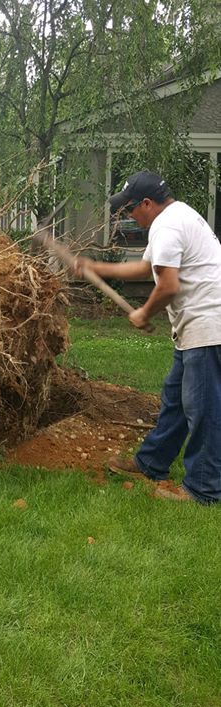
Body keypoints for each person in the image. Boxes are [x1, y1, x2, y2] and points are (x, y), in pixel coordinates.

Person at [75, 170, 221, 504]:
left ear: (146, 203)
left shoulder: (167, 226)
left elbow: (167, 286)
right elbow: (145, 268)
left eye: (129, 210)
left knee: (204, 409)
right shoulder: (175, 217)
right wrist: (96, 267)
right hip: (196, 328)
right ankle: (152, 462)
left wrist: (143, 313)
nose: (129, 217)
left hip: (208, 326)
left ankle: (204, 490)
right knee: (176, 400)